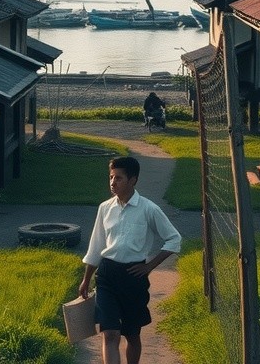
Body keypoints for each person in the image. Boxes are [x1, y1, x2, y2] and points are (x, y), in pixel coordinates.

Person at [79, 155, 181, 364]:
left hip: (134, 277)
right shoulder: (105, 208)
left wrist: (149, 267)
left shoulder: (149, 209)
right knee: (110, 333)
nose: (112, 183)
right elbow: (96, 246)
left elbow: (174, 239)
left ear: (133, 180)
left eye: (118, 178)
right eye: (111, 177)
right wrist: (86, 279)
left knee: (132, 334)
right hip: (106, 276)